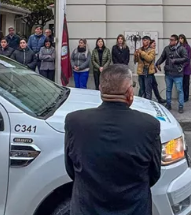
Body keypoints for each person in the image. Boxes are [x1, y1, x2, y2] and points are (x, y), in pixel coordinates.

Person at [64, 64, 161, 215]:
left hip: (87, 208)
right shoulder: (148, 125)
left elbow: (71, 169)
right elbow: (154, 174)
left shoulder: (75, 121)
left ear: (101, 89)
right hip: (133, 208)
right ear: (130, 92)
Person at [156, 35, 189, 113]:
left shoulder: (181, 48)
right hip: (168, 73)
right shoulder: (167, 48)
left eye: (172, 40)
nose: (170, 41)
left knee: (179, 90)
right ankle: (168, 104)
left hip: (178, 73)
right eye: (170, 40)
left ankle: (181, 106)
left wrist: (176, 60)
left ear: (176, 41)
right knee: (168, 89)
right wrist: (157, 63)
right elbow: (162, 57)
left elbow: (186, 58)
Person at [134, 36, 156, 100]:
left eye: (145, 40)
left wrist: (141, 52)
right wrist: (135, 55)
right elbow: (136, 61)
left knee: (148, 90)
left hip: (148, 72)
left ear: (149, 41)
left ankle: (148, 103)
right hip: (141, 72)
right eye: (143, 40)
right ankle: (140, 103)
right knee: (141, 89)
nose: (144, 42)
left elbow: (149, 59)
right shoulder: (140, 49)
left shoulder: (152, 50)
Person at [179, 34, 191, 102]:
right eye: (179, 38)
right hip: (179, 69)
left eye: (182, 38)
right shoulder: (178, 47)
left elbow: (188, 58)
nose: (180, 40)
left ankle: (186, 97)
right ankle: (181, 96)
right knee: (180, 84)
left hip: (186, 69)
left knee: (186, 83)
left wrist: (183, 65)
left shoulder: (187, 47)